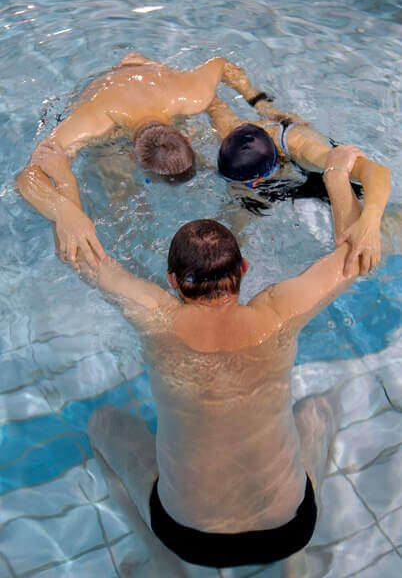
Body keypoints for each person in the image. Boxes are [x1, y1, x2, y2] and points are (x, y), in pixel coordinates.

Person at [39, 142, 379, 576]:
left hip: (186, 535)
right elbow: (356, 257)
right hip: (291, 525)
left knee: (102, 424)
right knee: (317, 410)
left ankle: (160, 561)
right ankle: (295, 561)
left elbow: (82, 257)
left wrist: (64, 192)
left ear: (171, 282)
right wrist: (334, 176)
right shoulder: (279, 313)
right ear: (244, 270)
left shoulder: (156, 315)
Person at [16, 51, 271, 269]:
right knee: (116, 193)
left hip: (153, 83)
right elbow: (28, 176)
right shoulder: (92, 125)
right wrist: (64, 212)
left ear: (185, 138)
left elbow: (221, 64)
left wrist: (259, 101)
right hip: (104, 95)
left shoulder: (190, 95)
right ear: (133, 158)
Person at [206, 94, 390, 274]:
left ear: (262, 178)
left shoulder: (305, 149)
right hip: (282, 176)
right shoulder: (230, 134)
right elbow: (211, 98)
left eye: (249, 184)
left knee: (370, 246)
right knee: (229, 239)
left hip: (322, 177)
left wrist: (370, 220)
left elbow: (377, 171)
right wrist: (260, 102)